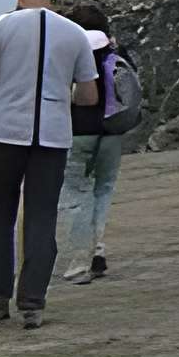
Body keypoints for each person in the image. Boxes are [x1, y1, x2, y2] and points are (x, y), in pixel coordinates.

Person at [0, 0, 98, 330]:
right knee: (41, 219)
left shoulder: (4, 26)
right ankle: (32, 303)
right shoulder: (73, 33)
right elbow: (89, 94)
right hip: (52, 137)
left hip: (5, 132)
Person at [60, 18, 139, 284]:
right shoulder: (116, 53)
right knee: (103, 190)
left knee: (77, 193)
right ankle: (99, 247)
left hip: (78, 133)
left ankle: (81, 260)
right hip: (112, 132)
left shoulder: (69, 52)